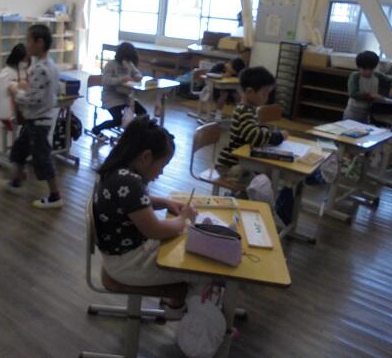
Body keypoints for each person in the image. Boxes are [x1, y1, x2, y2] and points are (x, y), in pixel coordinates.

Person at [93, 116, 221, 318]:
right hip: (129, 264)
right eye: (162, 165)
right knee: (201, 270)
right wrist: (184, 219)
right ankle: (192, 318)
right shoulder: (130, 183)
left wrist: (166, 203)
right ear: (146, 157)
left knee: (183, 245)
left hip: (122, 256)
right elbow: (155, 230)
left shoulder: (116, 171)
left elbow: (133, 203)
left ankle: (177, 305)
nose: (161, 172)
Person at [0, 24, 63, 209]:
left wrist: (15, 91)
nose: (26, 44)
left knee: (42, 158)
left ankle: (55, 196)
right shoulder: (50, 65)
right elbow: (50, 91)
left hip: (38, 121)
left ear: (39, 42)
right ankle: (16, 179)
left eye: (28, 40)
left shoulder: (39, 68)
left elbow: (32, 99)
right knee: (19, 149)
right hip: (36, 119)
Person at [217, 66, 289, 181]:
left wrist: (263, 129)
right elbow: (255, 137)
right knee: (264, 180)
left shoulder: (250, 109)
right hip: (232, 165)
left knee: (267, 176)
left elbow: (254, 130)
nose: (267, 98)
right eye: (264, 93)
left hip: (242, 160)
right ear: (249, 92)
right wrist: (278, 136)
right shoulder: (243, 112)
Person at [92, 42, 146, 141]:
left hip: (125, 97)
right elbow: (106, 80)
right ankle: (96, 129)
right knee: (118, 120)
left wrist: (138, 76)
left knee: (143, 113)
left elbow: (137, 73)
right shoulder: (110, 65)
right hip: (111, 97)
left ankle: (133, 131)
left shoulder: (129, 64)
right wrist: (121, 79)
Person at [344, 51, 392, 123]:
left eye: (371, 69)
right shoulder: (355, 76)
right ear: (359, 67)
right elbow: (353, 93)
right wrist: (371, 95)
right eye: (364, 69)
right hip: (353, 111)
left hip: (368, 111)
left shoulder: (377, 75)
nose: (368, 72)